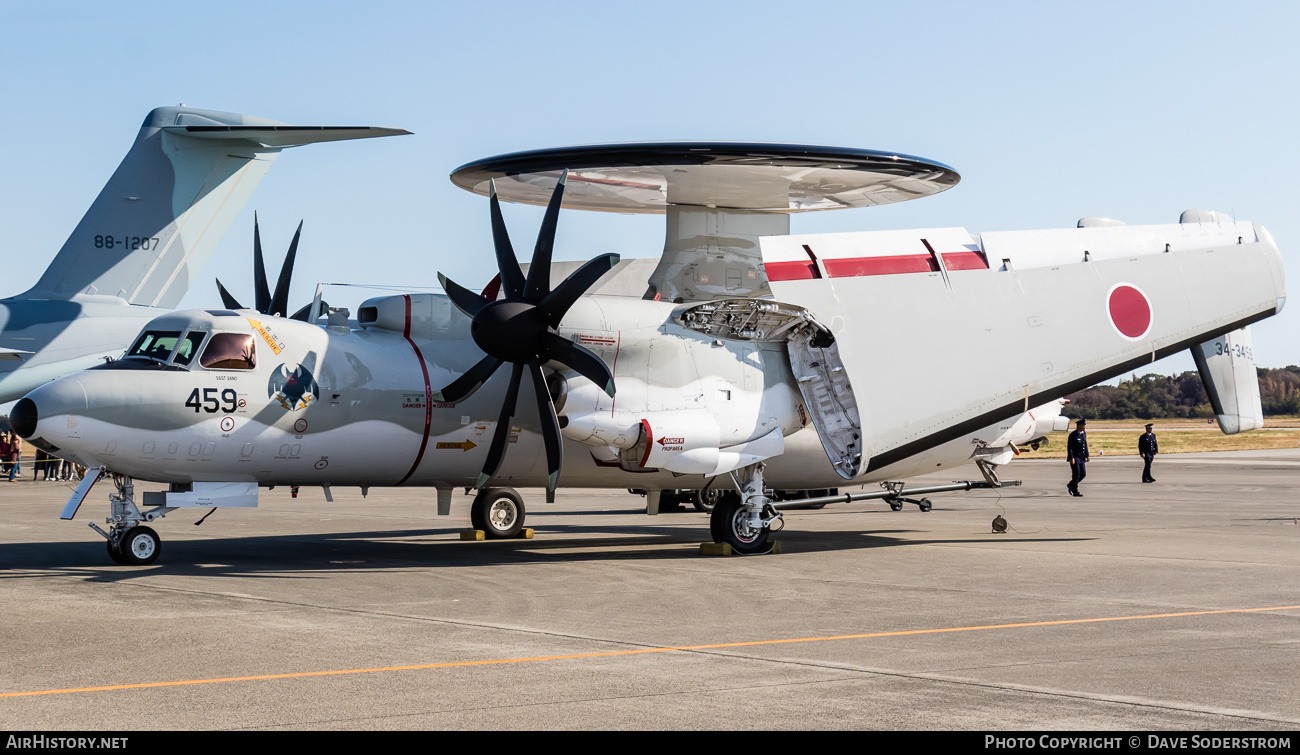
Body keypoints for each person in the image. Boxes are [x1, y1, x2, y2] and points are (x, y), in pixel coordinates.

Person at [1066, 418, 1089, 496]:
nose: (1085, 427)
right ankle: (1075, 490)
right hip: (1075, 458)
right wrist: (1071, 457)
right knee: (1076, 474)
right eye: (1083, 425)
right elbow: (1070, 447)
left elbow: (1085, 444)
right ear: (1079, 426)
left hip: (1081, 458)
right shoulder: (1073, 435)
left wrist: (1087, 455)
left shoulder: (1083, 433)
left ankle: (1071, 484)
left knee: (1083, 474)